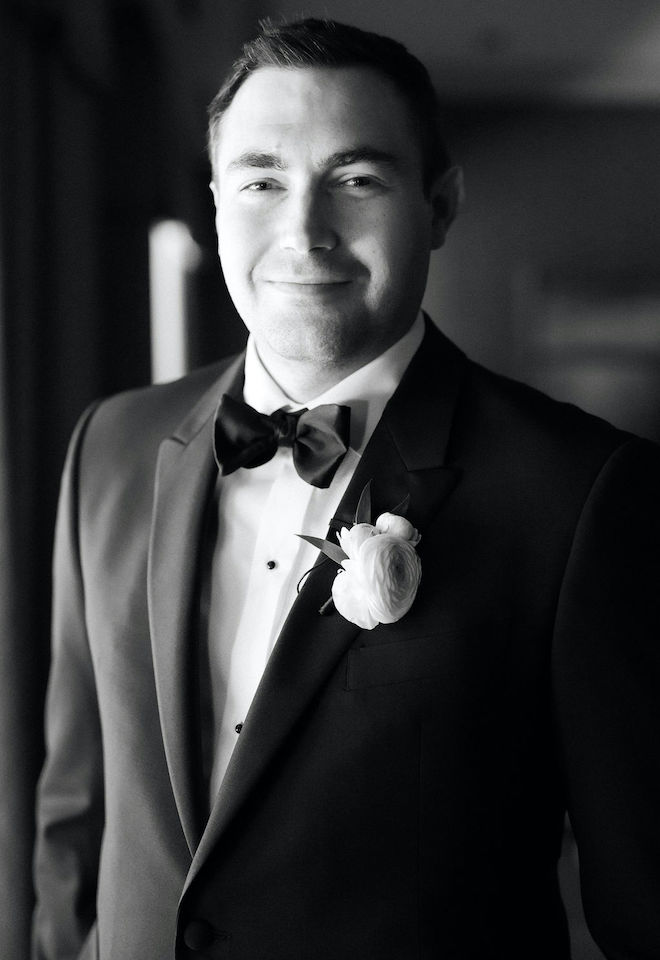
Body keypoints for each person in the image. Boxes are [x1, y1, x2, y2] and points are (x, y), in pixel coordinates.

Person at [32, 17, 660, 960]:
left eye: (356, 180)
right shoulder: (110, 444)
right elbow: (72, 818)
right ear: (215, 205)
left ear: (441, 203)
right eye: (261, 182)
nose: (304, 229)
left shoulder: (582, 491)